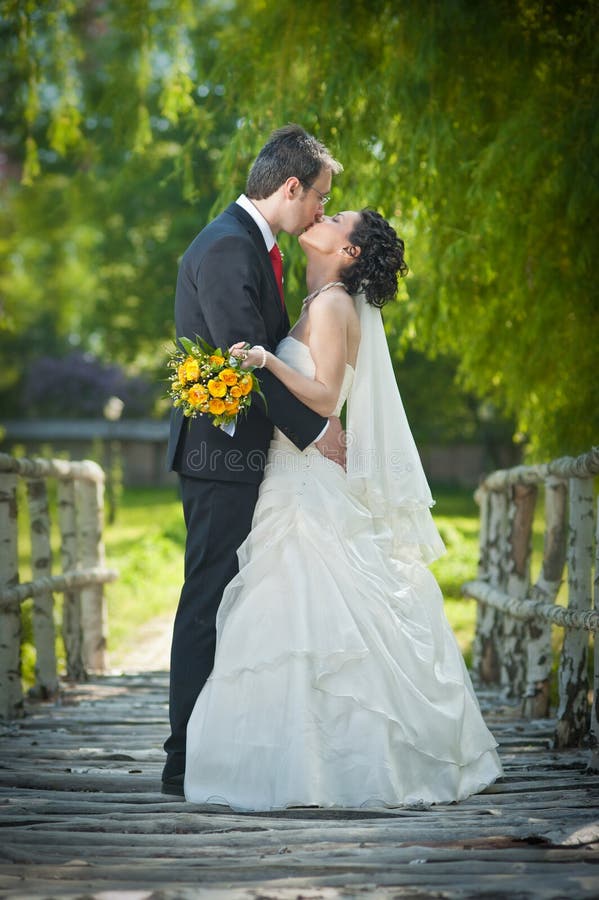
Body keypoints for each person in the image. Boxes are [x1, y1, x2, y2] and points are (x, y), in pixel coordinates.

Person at [183, 208, 503, 810]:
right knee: (283, 615)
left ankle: (337, 765)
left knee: (310, 608)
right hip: (289, 474)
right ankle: (288, 762)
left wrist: (267, 361)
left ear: (349, 252)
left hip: (308, 482)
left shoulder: (331, 306)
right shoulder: (316, 302)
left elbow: (327, 396)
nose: (324, 214)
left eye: (338, 217)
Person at [162, 125, 344, 795]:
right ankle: (183, 757)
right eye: (320, 197)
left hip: (238, 453)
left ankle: (217, 743)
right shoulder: (227, 249)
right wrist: (316, 429)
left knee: (235, 600)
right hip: (219, 455)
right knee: (208, 601)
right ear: (289, 187)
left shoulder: (247, 245)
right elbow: (245, 356)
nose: (322, 211)